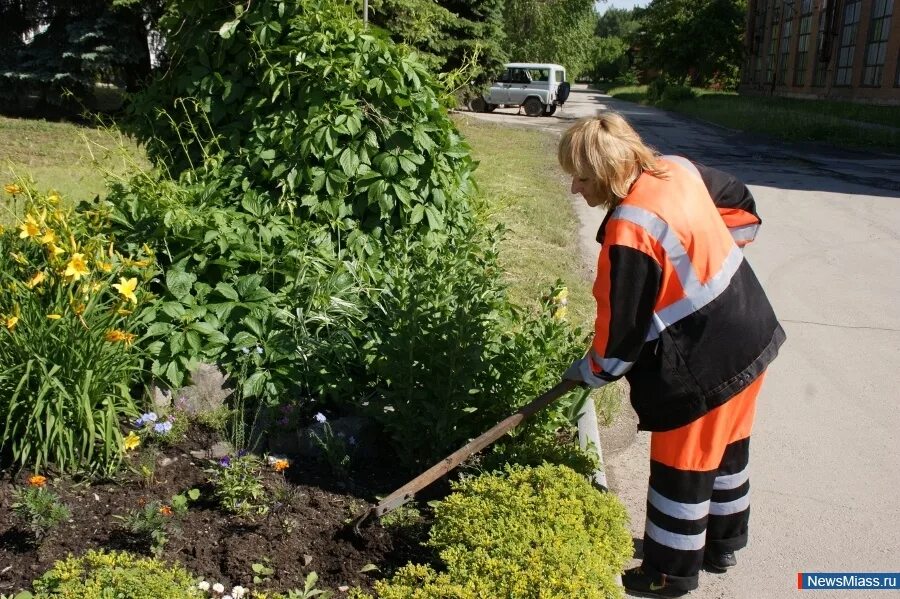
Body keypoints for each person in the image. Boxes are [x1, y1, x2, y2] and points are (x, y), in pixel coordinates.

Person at [557, 113, 785, 598]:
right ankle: (724, 544)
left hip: (703, 362)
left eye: (582, 178)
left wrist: (591, 372)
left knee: (683, 467)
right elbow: (741, 206)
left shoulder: (629, 228)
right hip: (751, 330)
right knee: (728, 448)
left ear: (608, 171)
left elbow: (620, 336)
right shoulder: (677, 169)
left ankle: (669, 573)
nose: (575, 189)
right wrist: (709, 264)